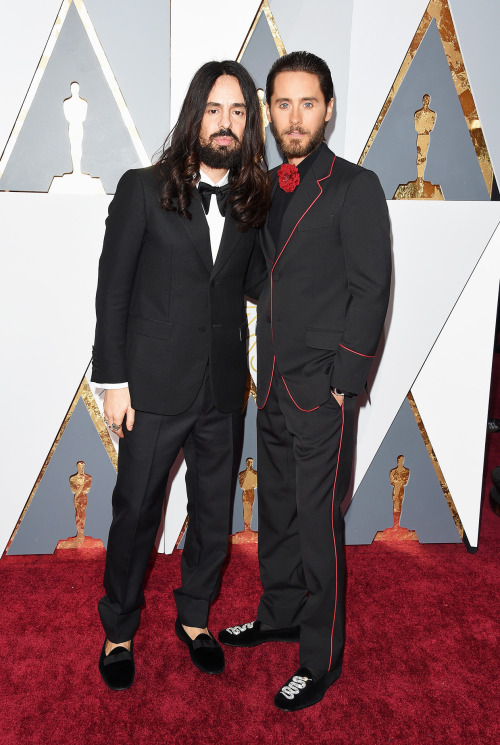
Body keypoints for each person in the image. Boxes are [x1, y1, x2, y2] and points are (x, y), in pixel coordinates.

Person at [219, 51, 392, 711]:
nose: (294, 117)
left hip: (323, 387)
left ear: (328, 109)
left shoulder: (356, 186)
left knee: (318, 528)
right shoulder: (265, 183)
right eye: (282, 104)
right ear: (270, 110)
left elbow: (371, 289)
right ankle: (279, 613)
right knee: (277, 516)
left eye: (307, 103)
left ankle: (318, 660)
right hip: (270, 384)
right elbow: (260, 277)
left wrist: (346, 379)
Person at [91, 60, 270, 690]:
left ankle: (194, 616)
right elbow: (112, 293)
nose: (225, 124)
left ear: (249, 125)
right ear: (195, 114)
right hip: (152, 387)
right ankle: (119, 627)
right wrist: (113, 381)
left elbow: (248, 283)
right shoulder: (143, 188)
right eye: (215, 110)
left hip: (222, 388)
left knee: (214, 514)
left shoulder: (254, 200)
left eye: (239, 113)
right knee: (135, 512)